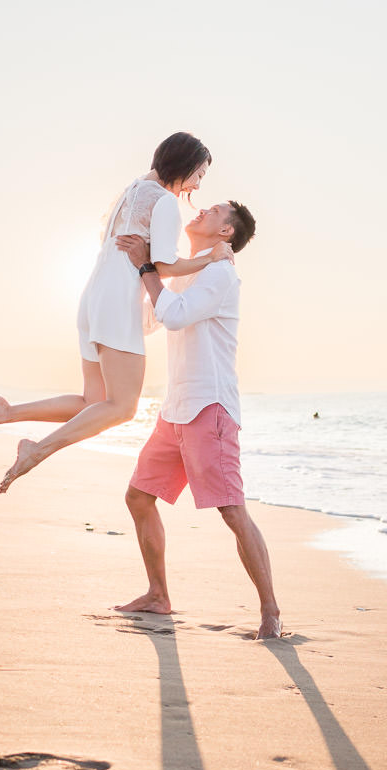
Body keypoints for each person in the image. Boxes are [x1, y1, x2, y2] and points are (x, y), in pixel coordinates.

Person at [0, 133, 233, 493]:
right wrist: (207, 259)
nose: (197, 184)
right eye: (199, 174)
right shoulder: (165, 200)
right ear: (185, 163)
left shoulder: (132, 190)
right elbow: (163, 264)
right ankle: (36, 450)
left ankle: (7, 412)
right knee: (122, 407)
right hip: (118, 302)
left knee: (94, 400)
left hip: (91, 300)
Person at [115, 200, 281, 639]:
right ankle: (158, 595)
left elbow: (174, 316)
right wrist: (146, 267)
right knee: (138, 497)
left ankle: (270, 612)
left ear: (226, 233)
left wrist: (146, 265)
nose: (201, 209)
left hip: (211, 408)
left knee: (232, 511)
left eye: (213, 210)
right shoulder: (192, 269)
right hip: (174, 409)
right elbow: (154, 316)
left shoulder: (221, 276)